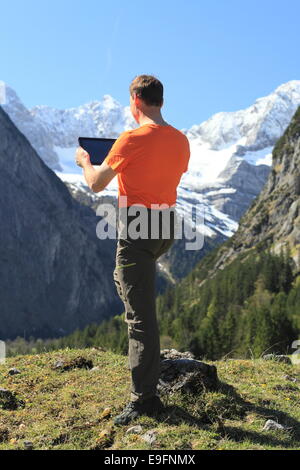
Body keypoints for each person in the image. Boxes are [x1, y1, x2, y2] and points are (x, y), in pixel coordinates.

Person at [75, 74, 190, 425]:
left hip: (137, 226)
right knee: (126, 286)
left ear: (136, 101)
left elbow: (95, 185)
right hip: (166, 225)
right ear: (161, 101)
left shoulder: (130, 139)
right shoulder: (181, 140)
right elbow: (161, 170)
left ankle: (145, 399)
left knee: (140, 318)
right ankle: (148, 356)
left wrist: (84, 161)